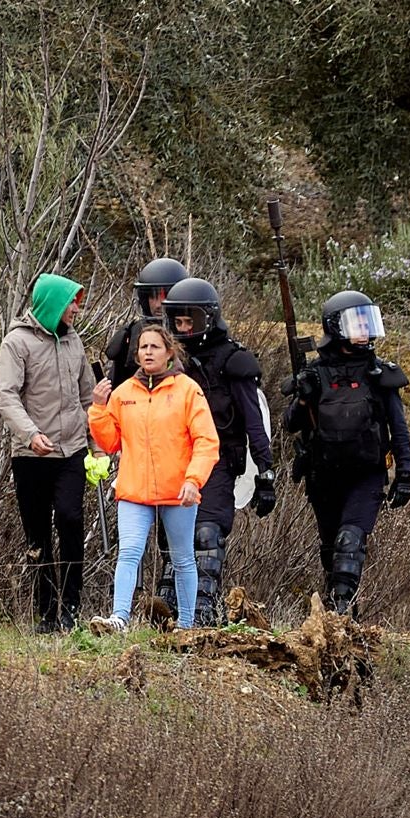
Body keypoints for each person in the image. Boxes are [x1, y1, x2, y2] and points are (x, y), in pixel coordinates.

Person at [281, 289, 410, 615]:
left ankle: (341, 610)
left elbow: (398, 428)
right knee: (331, 553)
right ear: (337, 327)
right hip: (323, 476)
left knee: (349, 543)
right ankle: (340, 616)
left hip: (366, 476)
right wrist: (302, 397)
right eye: (358, 324)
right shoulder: (315, 373)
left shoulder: (379, 374)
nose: (366, 331)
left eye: (369, 323)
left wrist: (405, 474)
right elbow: (289, 424)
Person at [86, 325, 220, 632]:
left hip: (179, 491)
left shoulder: (188, 390)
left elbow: (206, 441)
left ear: (169, 352)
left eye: (155, 347)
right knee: (129, 552)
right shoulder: (122, 394)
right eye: (143, 347)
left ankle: (186, 627)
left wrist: (193, 480)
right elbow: (109, 443)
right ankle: (119, 618)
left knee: (183, 558)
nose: (148, 352)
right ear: (136, 354)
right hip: (135, 490)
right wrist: (98, 408)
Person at [160, 277, 277, 625]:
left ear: (207, 318)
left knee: (207, 534)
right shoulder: (167, 363)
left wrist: (265, 472)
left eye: (189, 321)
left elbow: (254, 419)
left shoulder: (233, 361)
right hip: (174, 462)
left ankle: (202, 610)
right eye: (177, 322)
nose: (184, 329)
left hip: (220, 462)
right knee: (173, 541)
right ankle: (168, 613)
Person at [0, 272, 94, 633]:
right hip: (31, 454)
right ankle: (45, 614)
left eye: (77, 302)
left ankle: (71, 609)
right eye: (71, 302)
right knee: (37, 535)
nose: (76, 309)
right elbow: (5, 395)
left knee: (70, 519)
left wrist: (95, 444)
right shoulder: (16, 343)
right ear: (52, 303)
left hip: (72, 451)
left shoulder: (75, 342)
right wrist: (31, 434)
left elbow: (88, 398)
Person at [104, 256, 189, 387]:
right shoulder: (134, 334)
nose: (159, 304)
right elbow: (116, 386)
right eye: (153, 297)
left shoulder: (190, 331)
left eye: (165, 297)